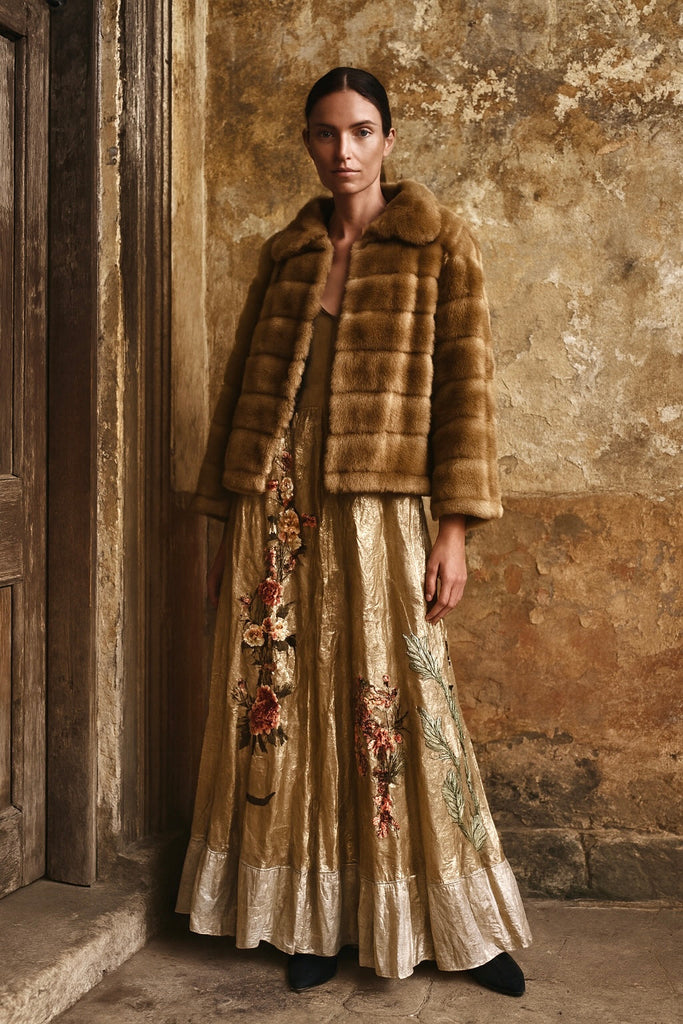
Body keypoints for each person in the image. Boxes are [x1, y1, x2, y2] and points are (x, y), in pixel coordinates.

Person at [176, 66, 532, 998]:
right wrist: (223, 527)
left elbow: (465, 398)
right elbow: (240, 397)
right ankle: (311, 920)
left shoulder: (437, 245)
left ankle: (461, 929)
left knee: (401, 695)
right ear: (307, 142)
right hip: (276, 508)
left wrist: (452, 532)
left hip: (382, 506)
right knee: (287, 701)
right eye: (327, 132)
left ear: (388, 139)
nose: (344, 150)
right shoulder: (286, 254)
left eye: (362, 130)